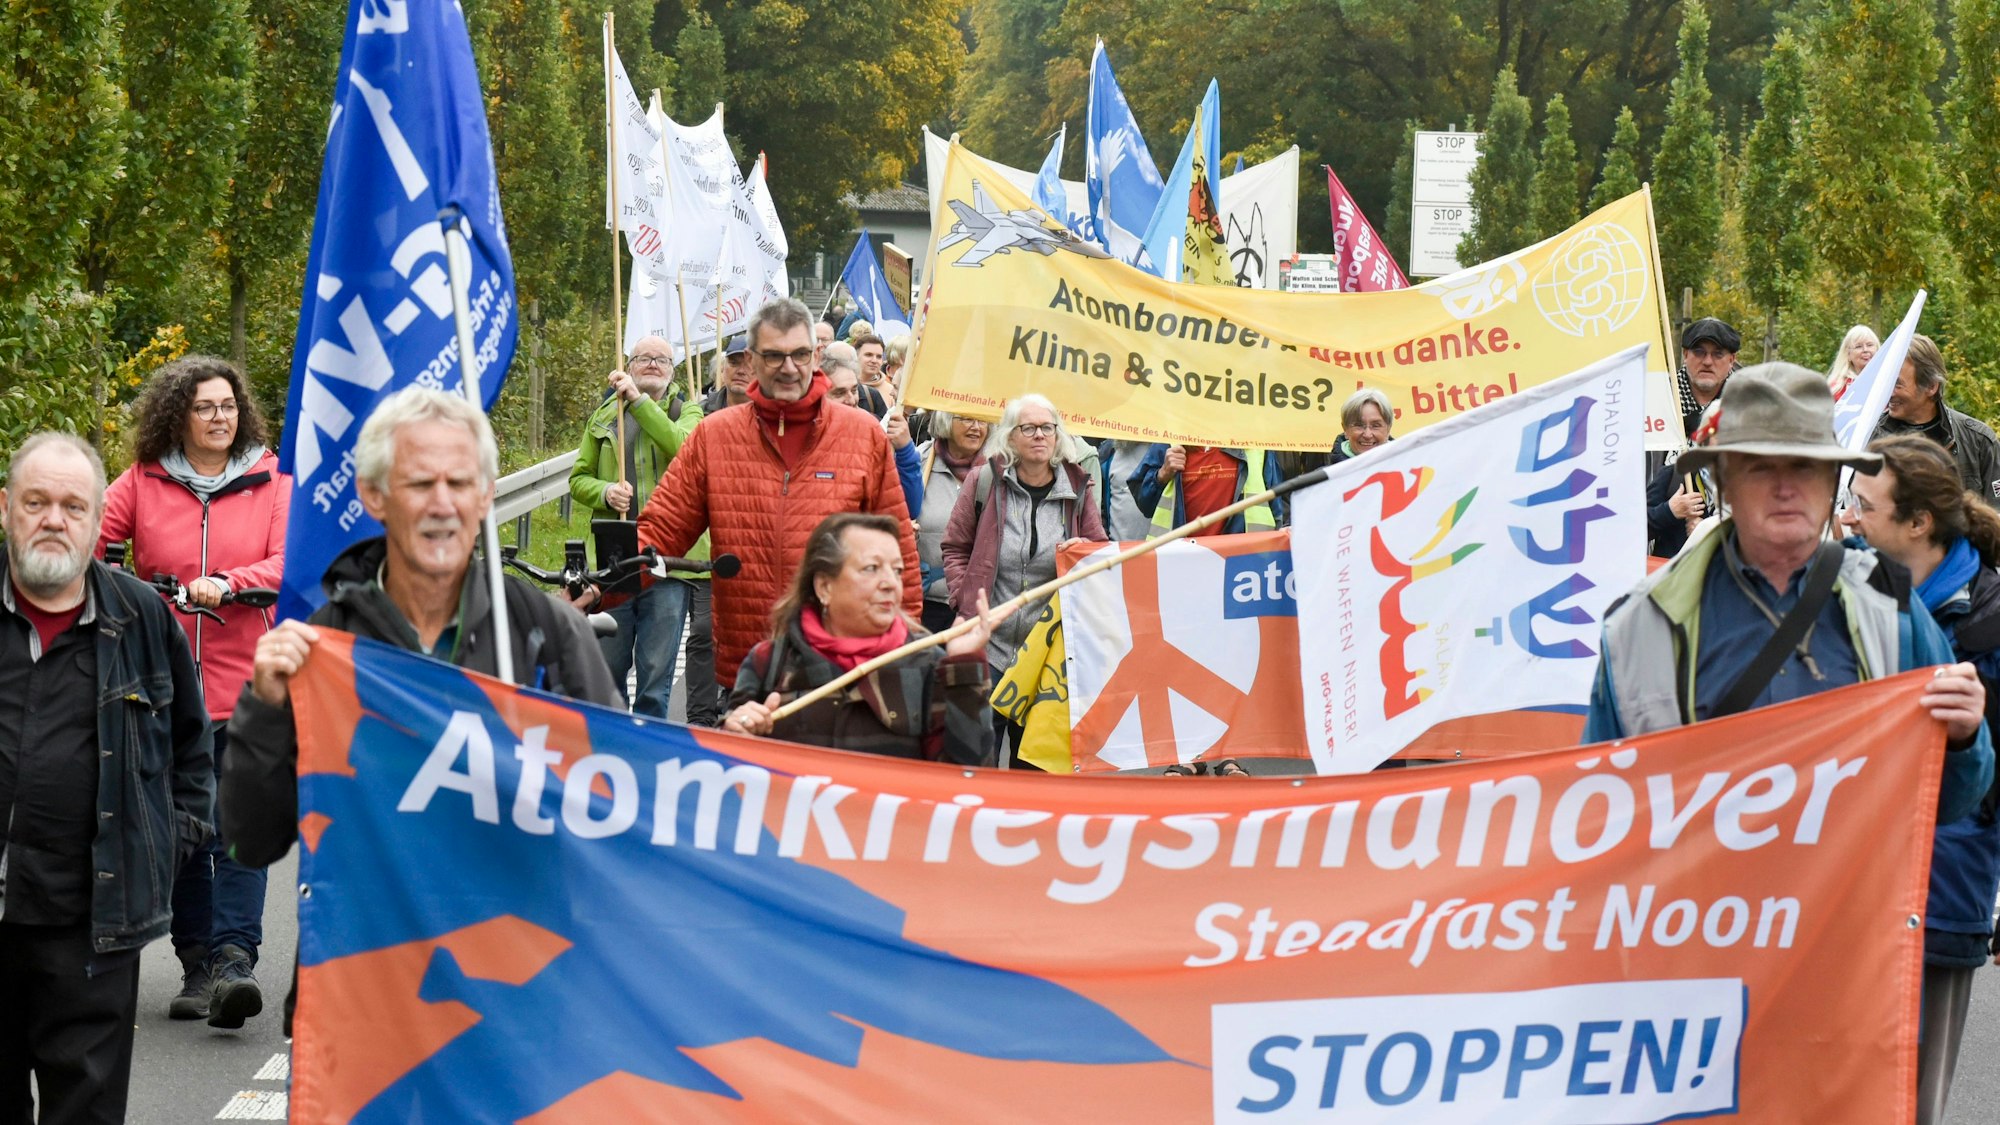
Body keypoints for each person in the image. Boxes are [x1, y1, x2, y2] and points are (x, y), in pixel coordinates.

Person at [223, 388, 619, 1035]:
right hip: (361, 1010)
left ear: (485, 496)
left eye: (459, 482)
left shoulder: (545, 634)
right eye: (419, 483)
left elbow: (614, 815)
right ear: (374, 496)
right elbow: (250, 841)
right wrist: (264, 708)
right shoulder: (325, 645)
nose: (442, 503)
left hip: (517, 1008)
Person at [1584, 363, 1993, 827]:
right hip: (1696, 876)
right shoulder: (1641, 622)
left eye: (1806, 466)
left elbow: (1949, 802)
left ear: (1832, 480)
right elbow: (1599, 811)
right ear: (1723, 481)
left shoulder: (1888, 603)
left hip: (1848, 876)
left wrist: (1963, 737)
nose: (1786, 488)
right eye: (1761, 467)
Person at [1, 433, 212, 1122]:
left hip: (92, 928)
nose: (53, 520)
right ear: (5, 507)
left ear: (98, 521)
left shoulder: (142, 616)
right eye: (35, 502)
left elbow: (193, 753)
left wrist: (161, 849)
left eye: (73, 506)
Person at [96, 355, 286, 1028]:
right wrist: (123, 594)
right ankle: (197, 961)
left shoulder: (272, 479)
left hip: (249, 686)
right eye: (204, 407)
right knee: (181, 830)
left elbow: (286, 560)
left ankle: (235, 960)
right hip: (162, 689)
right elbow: (92, 541)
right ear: (178, 415)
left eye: (228, 406)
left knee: (240, 829)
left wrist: (229, 583)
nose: (218, 417)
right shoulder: (142, 481)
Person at [637, 297, 922, 692]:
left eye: (800, 354)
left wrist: (907, 655)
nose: (789, 368)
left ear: (816, 356)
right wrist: (599, 590)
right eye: (774, 356)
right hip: (748, 667)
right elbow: (660, 530)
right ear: (752, 360)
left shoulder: (862, 436)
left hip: (841, 668)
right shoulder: (714, 436)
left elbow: (899, 550)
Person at [1839, 434, 2000, 1124]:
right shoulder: (1845, 591)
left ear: (1918, 523)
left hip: (1943, 896)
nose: (1848, 517)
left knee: (1910, 1103)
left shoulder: (1990, 619)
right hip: (1847, 892)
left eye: (1864, 505)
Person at [724, 513, 1001, 765]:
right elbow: (722, 770)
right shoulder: (769, 661)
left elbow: (968, 778)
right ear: (824, 586)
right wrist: (736, 732)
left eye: (897, 570)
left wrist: (965, 672)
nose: (890, 583)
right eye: (871, 568)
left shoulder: (930, 666)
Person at [940, 394, 1109, 762]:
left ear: (1058, 435)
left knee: (1031, 764)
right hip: (988, 644)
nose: (1039, 435)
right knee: (976, 758)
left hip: (1044, 654)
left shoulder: (1078, 490)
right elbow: (955, 547)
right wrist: (964, 600)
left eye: (1047, 427)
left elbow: (1101, 555)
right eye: (1028, 428)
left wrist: (1085, 551)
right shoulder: (984, 481)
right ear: (1010, 436)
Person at [567, 335, 710, 720]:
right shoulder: (604, 416)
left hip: (668, 561)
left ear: (673, 371)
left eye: (661, 360)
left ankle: (649, 742)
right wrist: (605, 492)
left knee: (655, 672)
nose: (652, 365)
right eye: (644, 358)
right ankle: (612, 738)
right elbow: (578, 480)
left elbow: (683, 448)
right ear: (629, 366)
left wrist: (639, 402)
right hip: (615, 561)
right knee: (610, 667)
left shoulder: (688, 412)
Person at [1871, 334, 2000, 506]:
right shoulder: (1870, 439)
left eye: (1896, 384)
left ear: (1931, 386)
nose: (1888, 392)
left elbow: (1995, 515)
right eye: (1886, 382)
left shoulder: (1978, 441)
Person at [915, 411, 990, 633]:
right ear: (945, 421)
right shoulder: (919, 462)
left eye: (982, 420)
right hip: (925, 604)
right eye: (967, 419)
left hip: (981, 604)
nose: (976, 426)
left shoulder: (1000, 469)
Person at [1647, 317, 1741, 484]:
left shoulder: (1748, 406)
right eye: (1699, 352)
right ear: (1685, 355)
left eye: (1718, 354)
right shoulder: (1657, 399)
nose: (1707, 362)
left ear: (1731, 360)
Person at [1130, 441, 1285, 538]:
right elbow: (1145, 504)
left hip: (1242, 564)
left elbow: (1278, 511)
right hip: (1182, 561)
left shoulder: (1255, 444)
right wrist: (1162, 474)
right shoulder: (1170, 441)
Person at [1331, 387, 1394, 463]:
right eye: (1359, 425)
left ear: (1388, 429)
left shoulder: (1406, 469)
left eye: (1376, 426)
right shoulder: (1327, 471)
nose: (1367, 435)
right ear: (1345, 429)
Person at [701, 334, 753, 414]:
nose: (741, 371)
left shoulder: (772, 415)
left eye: (749, 365)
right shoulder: (700, 413)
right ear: (722, 368)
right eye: (734, 363)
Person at [1827, 324, 1879, 400]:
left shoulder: (1888, 380)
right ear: (1848, 354)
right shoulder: (1837, 389)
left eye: (1870, 345)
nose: (1865, 350)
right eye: (1858, 346)